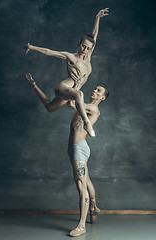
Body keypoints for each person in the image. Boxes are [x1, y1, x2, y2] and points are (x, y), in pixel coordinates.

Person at [24, 8, 109, 137]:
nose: (85, 49)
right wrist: (31, 47)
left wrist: (97, 18)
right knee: (79, 95)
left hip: (72, 91)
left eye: (88, 48)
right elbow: (49, 51)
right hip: (63, 88)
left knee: (50, 108)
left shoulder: (89, 55)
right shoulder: (71, 57)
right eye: (83, 46)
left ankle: (33, 85)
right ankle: (87, 123)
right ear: (79, 43)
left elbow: (94, 35)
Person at [67, 83, 109, 237]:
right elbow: (73, 103)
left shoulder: (93, 109)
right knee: (86, 180)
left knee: (81, 185)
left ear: (102, 97)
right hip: (75, 147)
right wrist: (76, 88)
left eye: (99, 91)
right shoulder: (85, 107)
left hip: (79, 148)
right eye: (95, 88)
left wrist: (76, 86)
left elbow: (75, 101)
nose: (94, 90)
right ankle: (94, 207)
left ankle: (81, 225)